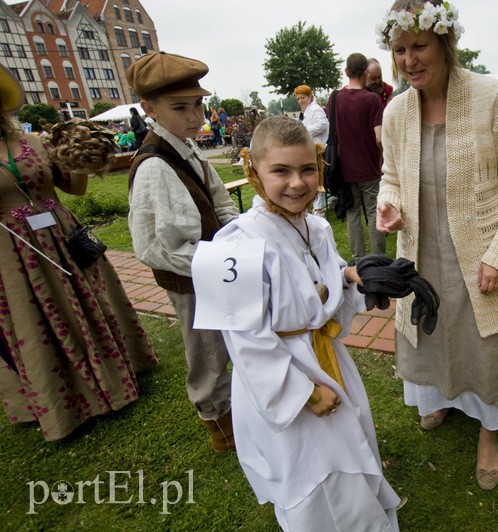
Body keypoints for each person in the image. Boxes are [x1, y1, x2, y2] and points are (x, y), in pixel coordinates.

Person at [192, 115, 400, 530]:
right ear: (254, 172)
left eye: (307, 169)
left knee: (348, 441)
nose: (297, 183)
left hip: (326, 358)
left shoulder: (317, 226)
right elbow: (244, 339)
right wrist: (303, 393)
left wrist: (351, 278)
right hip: (284, 371)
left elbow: (320, 284)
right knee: (314, 468)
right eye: (281, 171)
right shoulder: (234, 245)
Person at [375, 0, 498, 491]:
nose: (409, 60)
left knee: (482, 345)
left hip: (480, 258)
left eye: (419, 46)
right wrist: (388, 203)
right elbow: (391, 176)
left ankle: (488, 431)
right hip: (423, 255)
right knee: (434, 334)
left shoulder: (489, 96)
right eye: (400, 50)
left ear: (445, 42)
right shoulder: (397, 110)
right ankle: (440, 398)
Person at [0, 64, 158, 441]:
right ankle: (67, 402)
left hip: (61, 236)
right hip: (13, 252)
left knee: (90, 305)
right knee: (38, 321)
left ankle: (119, 376)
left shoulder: (34, 143)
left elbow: (74, 188)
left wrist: (84, 158)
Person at [126, 52, 239, 452]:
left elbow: (220, 202)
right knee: (206, 349)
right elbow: (153, 245)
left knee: (229, 339)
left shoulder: (187, 148)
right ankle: (219, 425)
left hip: (215, 268)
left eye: (198, 105)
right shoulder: (155, 165)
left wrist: (235, 235)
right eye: (180, 108)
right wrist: (217, 262)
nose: (195, 117)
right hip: (190, 279)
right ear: (149, 109)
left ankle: (236, 409)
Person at [335, 53, 385, 260]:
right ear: (366, 72)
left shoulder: (336, 98)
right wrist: (380, 158)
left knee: (352, 213)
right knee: (373, 212)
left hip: (345, 167)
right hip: (369, 167)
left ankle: (358, 259)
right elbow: (379, 138)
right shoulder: (372, 99)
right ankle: (378, 258)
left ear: (346, 72)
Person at [294, 84, 329, 217]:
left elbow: (322, 125)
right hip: (312, 149)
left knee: (316, 178)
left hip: (319, 149)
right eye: (298, 99)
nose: (301, 101)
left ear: (309, 96)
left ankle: (319, 209)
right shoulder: (308, 110)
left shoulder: (315, 109)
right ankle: (316, 206)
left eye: (303, 97)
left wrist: (304, 131)